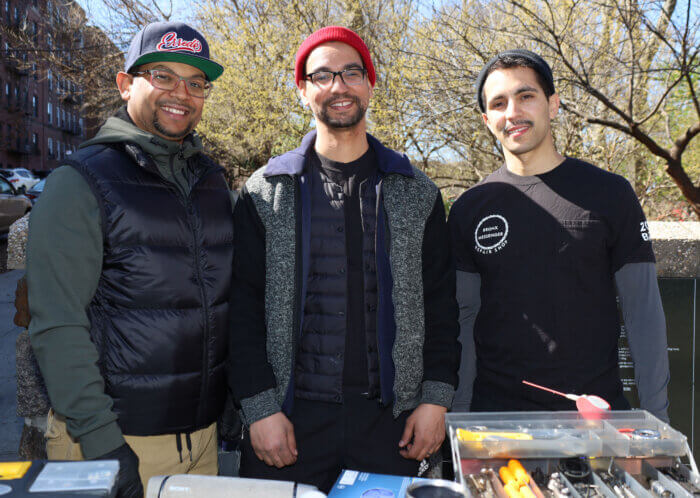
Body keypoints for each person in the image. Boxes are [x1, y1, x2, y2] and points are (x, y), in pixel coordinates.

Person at [227, 26, 460, 493]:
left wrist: (435, 400)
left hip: (390, 426)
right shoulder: (264, 192)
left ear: (370, 84)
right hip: (288, 424)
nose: (339, 86)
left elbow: (441, 306)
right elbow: (241, 311)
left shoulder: (417, 193)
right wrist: (259, 409)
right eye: (323, 75)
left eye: (352, 72)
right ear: (302, 90)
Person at [27, 21, 232, 496]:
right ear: (125, 85)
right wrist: (104, 444)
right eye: (163, 76)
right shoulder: (79, 182)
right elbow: (57, 326)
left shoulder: (211, 182)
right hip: (111, 443)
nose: (181, 92)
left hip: (201, 443)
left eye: (196, 82)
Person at [448, 49, 670, 420]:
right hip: (497, 423)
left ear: (553, 104)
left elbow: (643, 315)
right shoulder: (470, 207)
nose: (513, 113)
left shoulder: (610, 194)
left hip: (594, 422)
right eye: (499, 103)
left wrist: (656, 422)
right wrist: (459, 420)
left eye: (526, 96)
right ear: (487, 120)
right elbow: (464, 322)